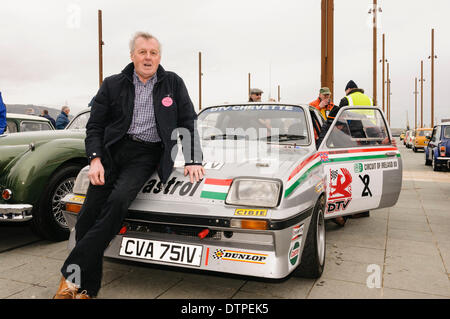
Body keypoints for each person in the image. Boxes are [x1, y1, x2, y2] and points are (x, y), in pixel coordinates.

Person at [53, 32, 204, 299]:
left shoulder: (173, 83)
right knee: (88, 217)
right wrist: (95, 159)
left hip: (147, 153)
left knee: (119, 200)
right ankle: (82, 289)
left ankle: (70, 273)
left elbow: (187, 120)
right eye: (142, 52)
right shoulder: (112, 84)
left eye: (153, 52)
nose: (148, 57)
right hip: (112, 152)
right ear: (132, 56)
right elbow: (96, 126)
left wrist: (193, 158)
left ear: (159, 57)